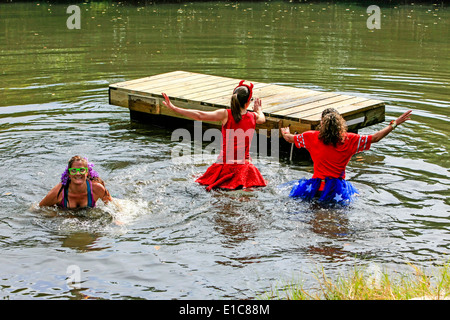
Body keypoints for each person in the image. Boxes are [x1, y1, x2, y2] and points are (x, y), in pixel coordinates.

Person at [280, 108, 412, 205]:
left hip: (315, 188)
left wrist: (286, 132)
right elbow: (376, 138)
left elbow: (289, 138)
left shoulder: (310, 137)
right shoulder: (350, 140)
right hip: (337, 190)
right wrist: (395, 123)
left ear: (321, 123)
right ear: (340, 124)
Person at [162, 80, 267, 191]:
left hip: (225, 166)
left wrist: (175, 108)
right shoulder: (254, 116)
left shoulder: (225, 114)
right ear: (247, 103)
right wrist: (259, 110)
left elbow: (199, 115)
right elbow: (262, 119)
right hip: (245, 168)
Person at [39, 155, 112, 209]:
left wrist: (118, 220)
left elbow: (113, 206)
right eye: (73, 170)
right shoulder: (58, 192)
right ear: (69, 174)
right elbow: (38, 209)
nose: (78, 173)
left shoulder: (97, 188)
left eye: (82, 170)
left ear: (87, 173)